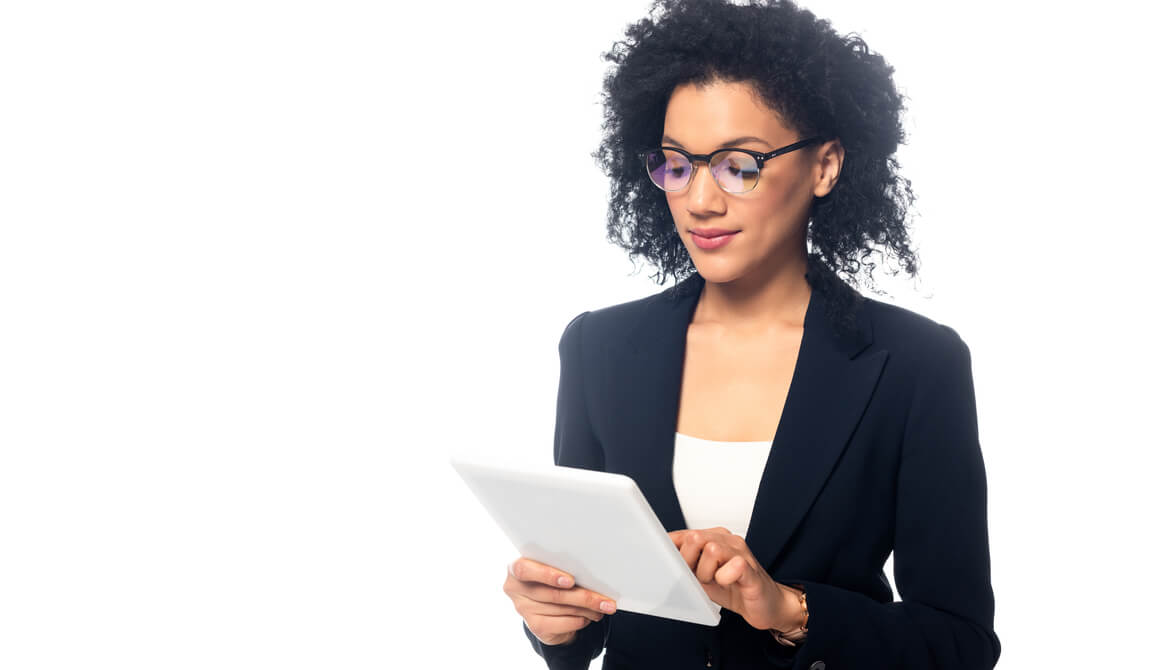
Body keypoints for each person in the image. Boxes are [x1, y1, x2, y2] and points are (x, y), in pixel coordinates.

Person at [501, 0, 1001, 668]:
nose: (701, 200)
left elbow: (960, 643)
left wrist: (789, 608)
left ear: (825, 166)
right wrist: (553, 618)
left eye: (740, 164)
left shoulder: (914, 364)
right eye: (677, 164)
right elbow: (588, 620)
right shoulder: (599, 349)